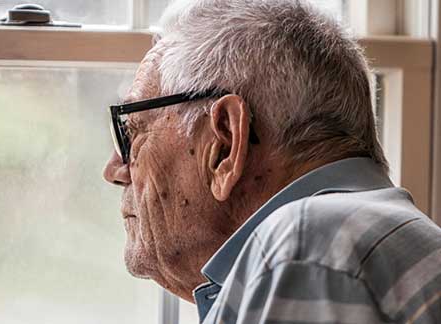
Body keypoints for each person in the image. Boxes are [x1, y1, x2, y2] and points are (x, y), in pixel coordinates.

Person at [102, 0, 441, 323]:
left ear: (224, 143)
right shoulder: (365, 241)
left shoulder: (308, 249)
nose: (115, 170)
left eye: (133, 132)